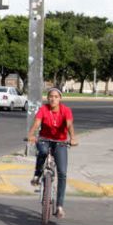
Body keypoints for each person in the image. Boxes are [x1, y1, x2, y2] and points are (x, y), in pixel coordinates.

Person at [27, 87, 77, 218]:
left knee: (62, 173)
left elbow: (69, 125)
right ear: (47, 98)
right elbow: (37, 123)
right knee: (42, 152)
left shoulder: (66, 110)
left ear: (60, 98)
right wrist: (31, 135)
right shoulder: (43, 109)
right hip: (44, 139)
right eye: (50, 96)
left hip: (60, 142)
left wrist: (73, 138)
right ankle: (37, 175)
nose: (53, 99)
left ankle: (59, 206)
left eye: (56, 96)